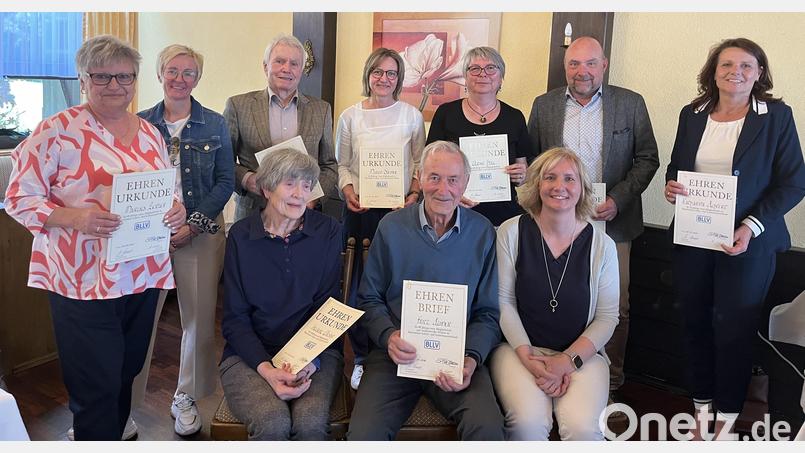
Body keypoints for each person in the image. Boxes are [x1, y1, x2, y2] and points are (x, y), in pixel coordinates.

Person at [3, 35, 186, 441]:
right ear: (83, 79)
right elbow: (17, 198)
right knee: (95, 383)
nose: (115, 85)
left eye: (125, 76)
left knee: (126, 370)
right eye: (102, 76)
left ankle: (113, 435)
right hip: (81, 279)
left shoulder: (150, 133)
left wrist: (177, 208)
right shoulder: (55, 131)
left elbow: (166, 188)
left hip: (141, 273)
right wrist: (76, 218)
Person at [664, 37, 805, 436]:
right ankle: (701, 409)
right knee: (694, 323)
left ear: (759, 73)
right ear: (714, 71)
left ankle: (726, 416)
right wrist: (672, 185)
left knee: (733, 332)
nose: (735, 72)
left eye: (746, 65)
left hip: (750, 243)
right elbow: (677, 167)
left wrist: (750, 226)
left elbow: (794, 183)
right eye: (726, 65)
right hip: (694, 239)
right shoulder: (692, 114)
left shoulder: (775, 116)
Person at [527, 36, 658, 401]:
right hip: (554, 223)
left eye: (590, 63)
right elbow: (534, 164)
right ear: (565, 67)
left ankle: (610, 381)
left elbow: (648, 158)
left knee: (616, 305)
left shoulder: (631, 104)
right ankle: (551, 371)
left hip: (613, 221)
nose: (581, 71)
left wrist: (619, 198)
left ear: (604, 65)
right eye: (574, 64)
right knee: (555, 296)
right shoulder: (545, 105)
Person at [346, 140, 504, 441]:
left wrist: (471, 358)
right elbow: (369, 297)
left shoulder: (483, 232)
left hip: (456, 357)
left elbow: (487, 312)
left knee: (488, 428)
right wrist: (388, 337)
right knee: (363, 435)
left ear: (466, 183)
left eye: (453, 179)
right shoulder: (391, 227)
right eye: (434, 177)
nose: (443, 189)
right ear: (420, 178)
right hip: (394, 356)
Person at [136, 44, 234, 436]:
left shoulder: (214, 123)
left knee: (197, 322)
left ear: (198, 78)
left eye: (189, 72)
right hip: (147, 237)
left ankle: (186, 397)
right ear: (160, 73)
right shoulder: (139, 125)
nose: (180, 79)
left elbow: (226, 181)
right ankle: (122, 405)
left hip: (201, 232)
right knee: (139, 321)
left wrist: (191, 225)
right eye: (172, 71)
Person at [490, 147, 619, 440]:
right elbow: (504, 303)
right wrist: (528, 357)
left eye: (569, 179)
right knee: (528, 424)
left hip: (581, 357)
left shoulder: (603, 245)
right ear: (537, 184)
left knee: (583, 429)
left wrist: (567, 361)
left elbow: (607, 316)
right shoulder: (510, 232)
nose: (559, 186)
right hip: (518, 351)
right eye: (550, 177)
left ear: (583, 189)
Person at [219, 149, 344, 440]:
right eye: (290, 183)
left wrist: (309, 361)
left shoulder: (327, 230)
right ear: (266, 188)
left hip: (317, 354)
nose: (300, 194)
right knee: (272, 422)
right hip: (250, 355)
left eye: (306, 185)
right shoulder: (241, 235)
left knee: (310, 423)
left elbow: (329, 308)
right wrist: (267, 369)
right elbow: (235, 319)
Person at [335, 47, 425, 390]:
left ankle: (395, 351)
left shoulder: (411, 116)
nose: (384, 79)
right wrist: (348, 191)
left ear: (399, 79)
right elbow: (341, 163)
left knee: (398, 283)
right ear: (368, 74)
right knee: (358, 284)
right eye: (378, 72)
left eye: (391, 73)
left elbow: (419, 162)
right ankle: (359, 357)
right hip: (360, 210)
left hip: (401, 211)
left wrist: (413, 195)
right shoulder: (350, 116)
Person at [224, 33, 337, 222]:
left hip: (303, 215)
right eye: (279, 61)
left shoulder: (321, 109)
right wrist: (247, 179)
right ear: (265, 66)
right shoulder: (238, 106)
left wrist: (312, 197)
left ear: (301, 70)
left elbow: (329, 165)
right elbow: (223, 160)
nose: (287, 69)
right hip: (253, 213)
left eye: (294, 63)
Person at [425, 46, 534, 227]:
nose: (482, 74)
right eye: (474, 68)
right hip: (454, 209)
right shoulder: (446, 113)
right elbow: (430, 163)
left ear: (501, 77)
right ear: (465, 78)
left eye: (491, 68)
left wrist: (522, 175)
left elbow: (524, 169)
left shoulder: (514, 117)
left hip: (503, 214)